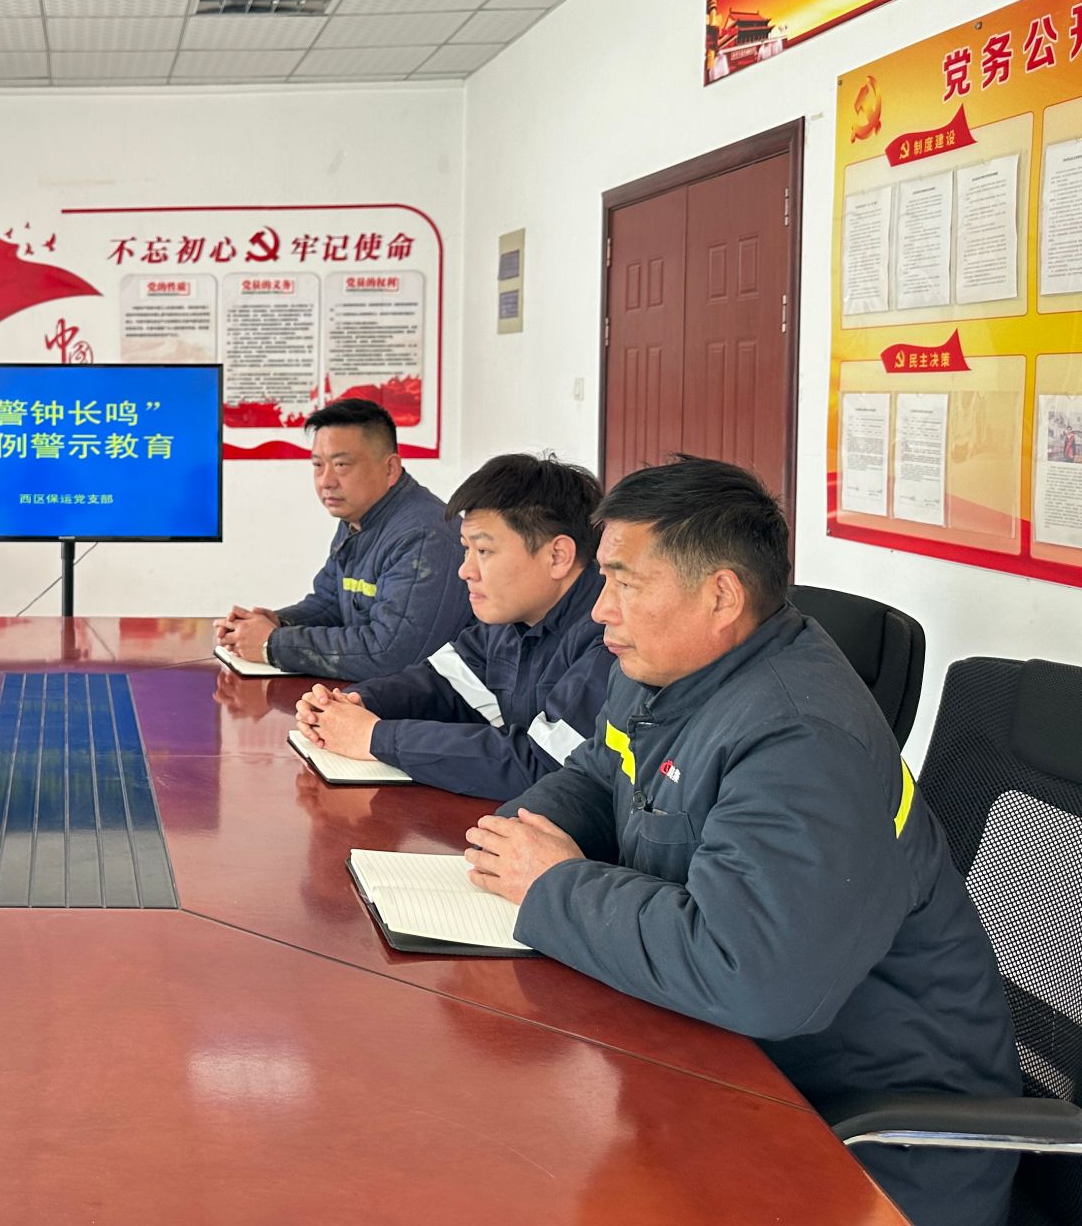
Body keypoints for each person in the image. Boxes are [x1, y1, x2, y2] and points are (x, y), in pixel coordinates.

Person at [463, 457, 1019, 1226]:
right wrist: (524, 834)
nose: (600, 610)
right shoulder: (664, 668)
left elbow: (751, 973)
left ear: (721, 596)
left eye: (625, 582)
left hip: (874, 1142)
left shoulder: (802, 737)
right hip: (734, 1066)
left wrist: (553, 886)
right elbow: (599, 772)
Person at [294, 452, 611, 799]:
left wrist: (375, 737)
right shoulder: (509, 619)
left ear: (558, 556)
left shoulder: (609, 636)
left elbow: (543, 764)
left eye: (484, 551)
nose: (465, 571)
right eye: (466, 550)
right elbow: (443, 685)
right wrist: (352, 704)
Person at [214, 398, 470, 681]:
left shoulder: (424, 536)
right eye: (318, 465)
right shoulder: (358, 517)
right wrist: (276, 623)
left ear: (390, 468)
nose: (326, 481)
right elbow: (330, 603)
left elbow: (390, 653)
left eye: (341, 465)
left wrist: (272, 644)